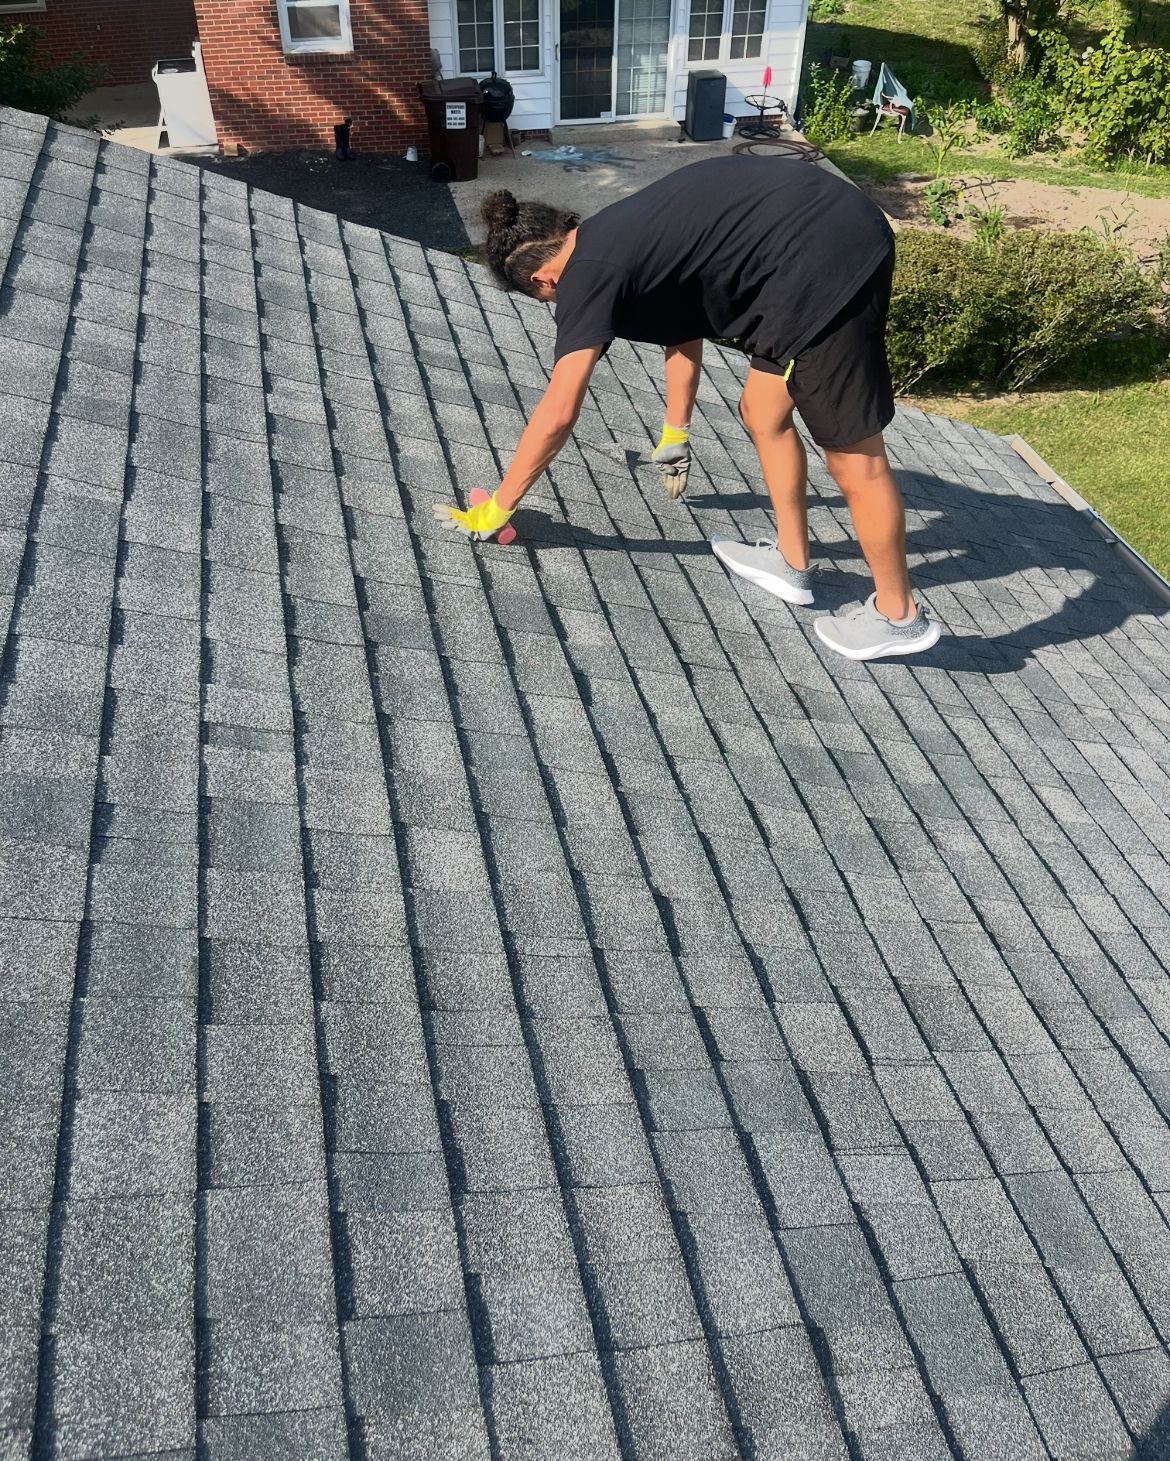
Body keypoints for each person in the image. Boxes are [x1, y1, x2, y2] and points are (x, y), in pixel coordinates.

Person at [433, 155, 940, 661]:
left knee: (854, 457)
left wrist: (499, 506)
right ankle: (792, 561)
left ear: (542, 280)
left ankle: (897, 616)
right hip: (801, 242)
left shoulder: (586, 274)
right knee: (762, 410)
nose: (559, 310)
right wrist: (676, 430)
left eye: (547, 301)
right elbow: (682, 326)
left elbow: (559, 410)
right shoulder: (616, 237)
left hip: (824, 256)